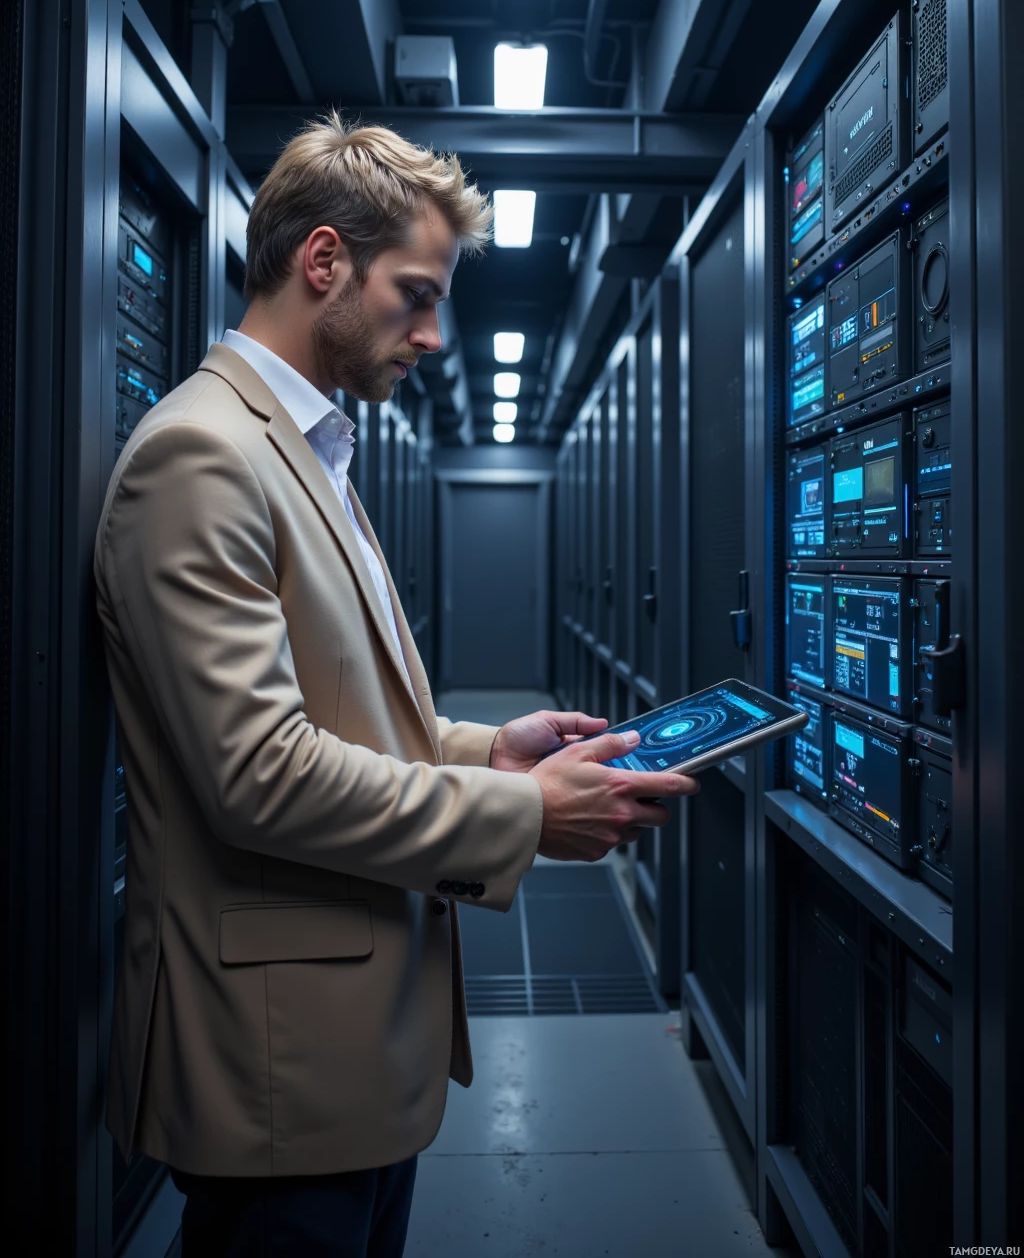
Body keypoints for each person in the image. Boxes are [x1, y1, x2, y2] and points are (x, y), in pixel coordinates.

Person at [93, 112, 699, 1257]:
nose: (432, 334)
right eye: (415, 294)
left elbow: (342, 709)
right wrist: (525, 813)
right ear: (324, 261)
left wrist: (487, 752)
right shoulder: (201, 456)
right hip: (279, 1070)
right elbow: (258, 777)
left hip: (354, 1047)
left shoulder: (306, 449)